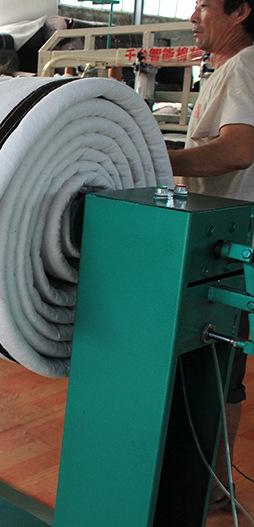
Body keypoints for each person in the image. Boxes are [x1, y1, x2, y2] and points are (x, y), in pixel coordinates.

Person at [169, 0, 254, 511]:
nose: (193, 15)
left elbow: (238, 150)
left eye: (203, 4)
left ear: (240, 11)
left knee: (220, 365)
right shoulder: (225, 70)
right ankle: (213, 482)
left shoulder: (245, 65)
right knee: (215, 361)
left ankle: (218, 488)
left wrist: (159, 158)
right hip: (218, 237)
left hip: (232, 241)